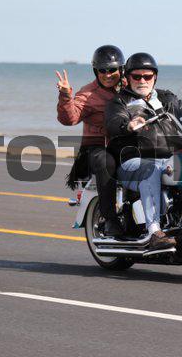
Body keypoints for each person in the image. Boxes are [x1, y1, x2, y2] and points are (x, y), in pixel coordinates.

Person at [105, 53, 182, 250]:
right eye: (136, 76)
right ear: (128, 77)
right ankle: (154, 231)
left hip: (169, 157)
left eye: (147, 76)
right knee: (150, 169)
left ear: (155, 77)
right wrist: (128, 125)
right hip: (134, 161)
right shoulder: (120, 101)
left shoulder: (166, 98)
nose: (142, 81)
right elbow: (114, 121)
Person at [56, 45, 125, 237]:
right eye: (102, 70)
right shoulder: (88, 94)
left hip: (125, 146)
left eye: (112, 69)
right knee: (105, 162)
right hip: (97, 148)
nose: (107, 74)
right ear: (96, 71)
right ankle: (110, 220)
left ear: (121, 69)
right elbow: (69, 118)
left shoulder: (130, 86)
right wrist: (65, 95)